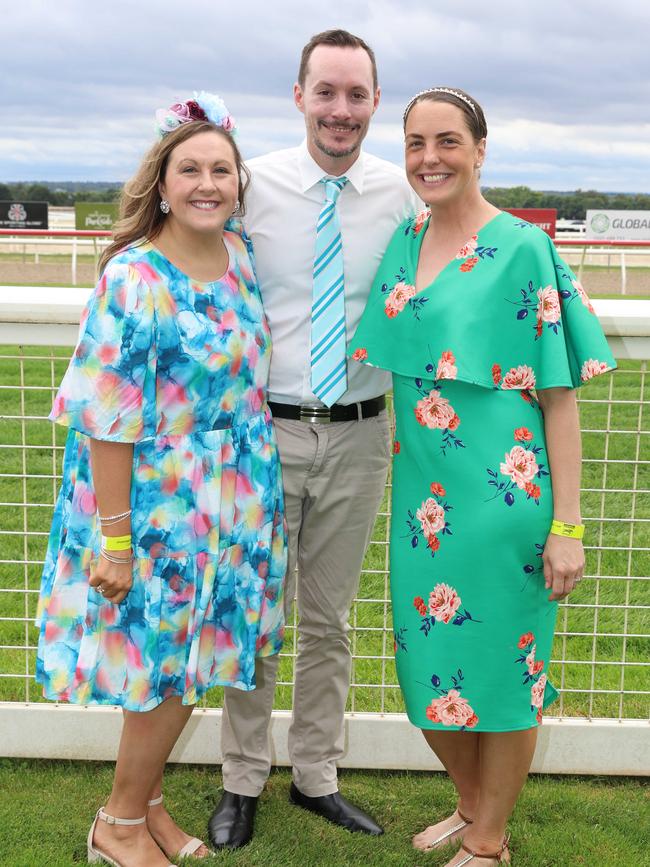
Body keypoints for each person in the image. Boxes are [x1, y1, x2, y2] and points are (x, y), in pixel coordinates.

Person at [348, 87, 616, 866]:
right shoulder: (404, 241)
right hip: (425, 507)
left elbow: (559, 399)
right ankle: (473, 805)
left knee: (503, 678)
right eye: (415, 143)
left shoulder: (525, 249)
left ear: (479, 149)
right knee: (423, 673)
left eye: (447, 141)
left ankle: (490, 839)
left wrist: (568, 525)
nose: (429, 158)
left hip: (508, 504)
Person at [35, 92, 287, 867]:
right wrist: (114, 542)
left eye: (221, 168)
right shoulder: (135, 276)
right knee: (160, 671)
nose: (207, 183)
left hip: (233, 499)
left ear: (238, 181)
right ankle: (115, 826)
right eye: (190, 169)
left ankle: (146, 805)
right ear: (162, 179)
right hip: (154, 505)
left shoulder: (239, 255)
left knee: (196, 661)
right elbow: (105, 416)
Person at [208, 29, 419, 849]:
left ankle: (316, 775)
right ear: (299, 96)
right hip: (265, 430)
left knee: (330, 620)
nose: (341, 110)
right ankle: (240, 778)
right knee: (258, 614)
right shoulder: (252, 184)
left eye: (356, 94)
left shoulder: (402, 194)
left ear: (374, 101)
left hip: (365, 432)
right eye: (325, 92)